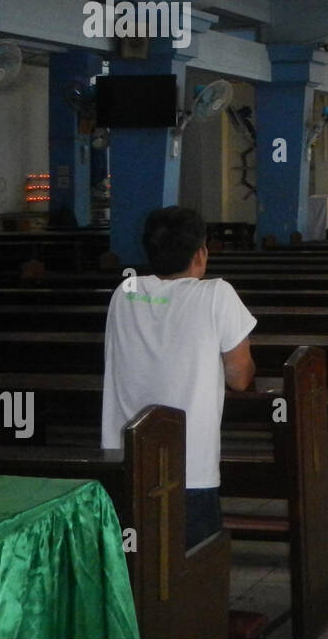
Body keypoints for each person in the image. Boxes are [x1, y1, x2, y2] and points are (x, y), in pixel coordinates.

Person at [102, 206, 256, 549]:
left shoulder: (124, 292)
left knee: (134, 566)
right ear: (201, 253)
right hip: (189, 466)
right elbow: (240, 377)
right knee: (192, 575)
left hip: (126, 459)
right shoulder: (216, 294)